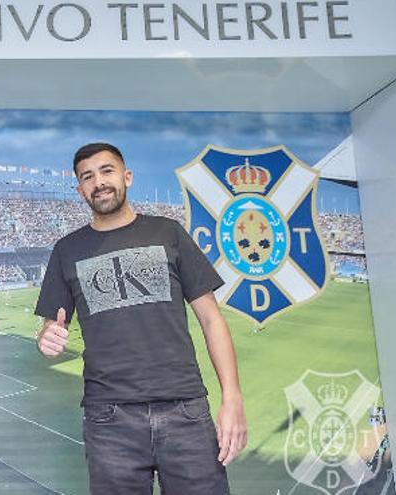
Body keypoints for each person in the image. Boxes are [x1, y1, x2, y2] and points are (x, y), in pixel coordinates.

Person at [35, 143, 247, 494]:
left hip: (186, 411)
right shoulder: (66, 250)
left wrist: (233, 398)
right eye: (87, 177)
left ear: (127, 177)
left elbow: (212, 320)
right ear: (80, 189)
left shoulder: (169, 233)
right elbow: (48, 329)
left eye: (107, 171)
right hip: (109, 419)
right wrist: (46, 338)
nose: (98, 182)